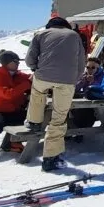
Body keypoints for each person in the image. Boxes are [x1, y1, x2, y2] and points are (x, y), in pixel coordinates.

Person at [24, 16, 88, 172]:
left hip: (44, 75)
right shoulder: (74, 35)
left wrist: (35, 69)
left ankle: (34, 121)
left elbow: (29, 58)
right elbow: (81, 61)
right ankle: (50, 158)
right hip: (67, 80)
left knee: (38, 93)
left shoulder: (40, 34)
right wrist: (75, 77)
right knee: (59, 118)